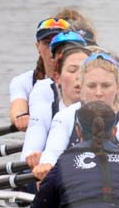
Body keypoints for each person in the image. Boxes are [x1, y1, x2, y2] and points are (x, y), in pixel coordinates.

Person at [36, 50, 119, 179]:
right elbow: (53, 152)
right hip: (79, 186)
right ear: (81, 87)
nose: (98, 93)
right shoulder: (65, 116)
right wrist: (46, 165)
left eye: (106, 86)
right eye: (91, 86)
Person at [10, 9, 95, 130]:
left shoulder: (88, 77)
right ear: (38, 47)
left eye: (59, 43)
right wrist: (22, 117)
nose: (52, 48)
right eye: (46, 42)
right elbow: (17, 107)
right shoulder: (24, 81)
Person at [22, 31, 91, 172]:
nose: (79, 77)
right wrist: (34, 157)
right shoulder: (43, 89)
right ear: (57, 75)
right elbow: (36, 132)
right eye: (59, 52)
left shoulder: (105, 95)